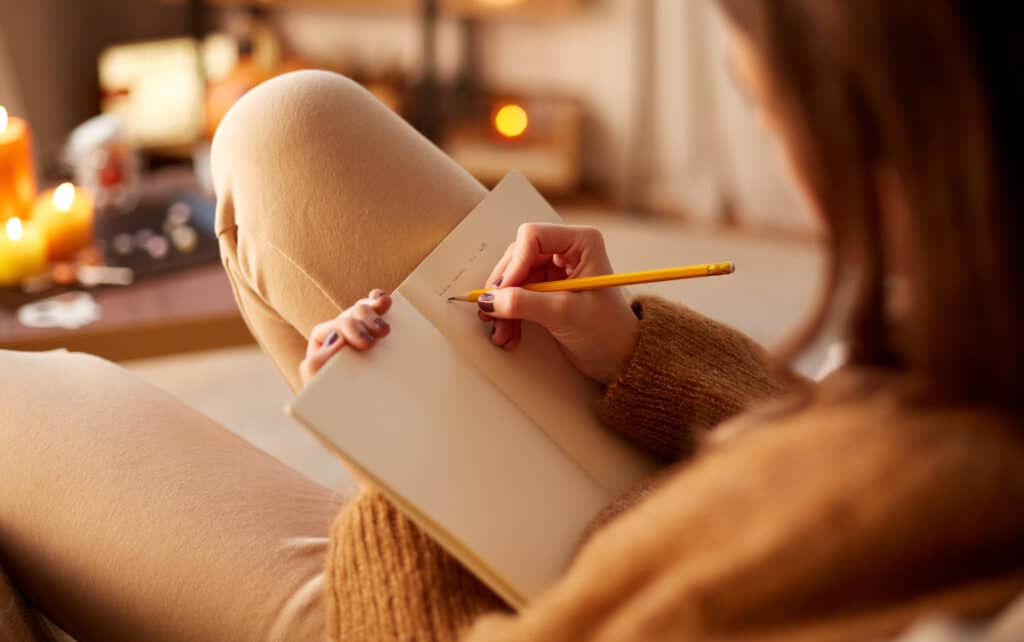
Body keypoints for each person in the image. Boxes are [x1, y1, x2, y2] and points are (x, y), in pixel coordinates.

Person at [1, 2, 1022, 641]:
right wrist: (637, 350)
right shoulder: (971, 361)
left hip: (452, 612)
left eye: (766, 105)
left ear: (898, 137)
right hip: (657, 501)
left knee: (20, 401)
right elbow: (821, 455)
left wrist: (403, 465)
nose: (775, 143)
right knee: (287, 126)